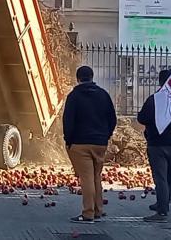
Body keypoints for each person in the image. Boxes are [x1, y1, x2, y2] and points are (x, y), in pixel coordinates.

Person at [63, 66, 117, 224]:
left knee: (86, 178)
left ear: (78, 78)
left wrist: (69, 140)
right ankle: (98, 209)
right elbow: (112, 119)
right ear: (92, 77)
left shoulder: (74, 96)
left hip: (80, 143)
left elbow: (68, 121)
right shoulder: (103, 95)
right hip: (100, 143)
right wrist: (105, 136)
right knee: (96, 177)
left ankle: (88, 213)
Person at [137, 69, 171, 223]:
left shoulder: (154, 99)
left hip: (157, 144)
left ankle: (162, 211)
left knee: (161, 178)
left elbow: (142, 118)